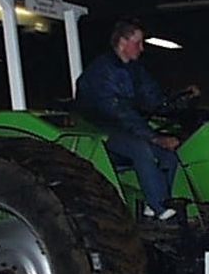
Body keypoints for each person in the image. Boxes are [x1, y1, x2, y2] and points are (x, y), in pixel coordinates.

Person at [75, 18, 199, 221]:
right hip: (99, 129)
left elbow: (155, 100)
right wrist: (153, 137)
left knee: (169, 154)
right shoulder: (101, 73)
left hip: (124, 128)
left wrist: (182, 98)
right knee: (141, 148)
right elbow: (119, 112)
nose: (141, 48)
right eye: (138, 42)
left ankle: (154, 203)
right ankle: (161, 208)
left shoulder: (135, 70)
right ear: (122, 43)